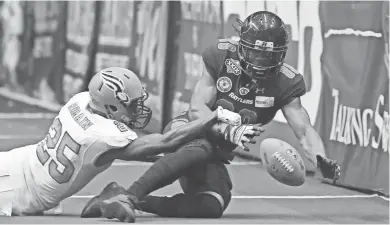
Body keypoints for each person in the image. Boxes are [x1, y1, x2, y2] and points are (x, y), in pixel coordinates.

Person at [81, 11, 341, 223]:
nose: (261, 61)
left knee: (210, 205)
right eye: (255, 53)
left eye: (269, 55)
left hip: (217, 152)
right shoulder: (220, 55)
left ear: (282, 54)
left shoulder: (286, 82)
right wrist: (230, 129)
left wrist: (319, 158)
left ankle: (115, 196)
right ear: (242, 47)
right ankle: (131, 196)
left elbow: (304, 130)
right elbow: (197, 109)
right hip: (188, 131)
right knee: (202, 147)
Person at [0, 67, 257, 216]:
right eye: (132, 105)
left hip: (18, 162)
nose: (137, 110)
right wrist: (211, 120)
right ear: (111, 105)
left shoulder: (79, 101)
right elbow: (164, 143)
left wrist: (196, 155)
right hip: (20, 192)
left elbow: (136, 152)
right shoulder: (103, 135)